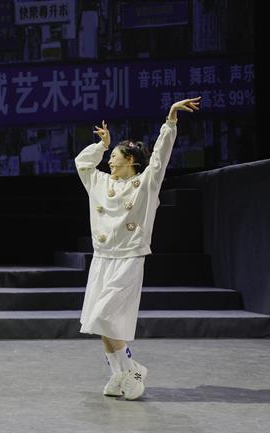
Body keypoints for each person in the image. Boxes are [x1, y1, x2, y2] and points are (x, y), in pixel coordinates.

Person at [74, 97, 201, 400]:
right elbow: (82, 163)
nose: (109, 161)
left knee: (105, 315)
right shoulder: (99, 182)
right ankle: (119, 373)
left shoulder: (145, 184)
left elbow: (160, 158)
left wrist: (170, 120)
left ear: (129, 160)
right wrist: (102, 145)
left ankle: (131, 369)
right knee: (97, 320)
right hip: (102, 258)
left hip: (129, 257)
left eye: (114, 156)